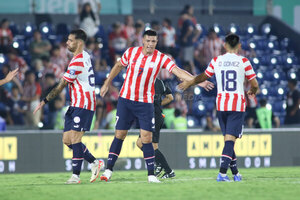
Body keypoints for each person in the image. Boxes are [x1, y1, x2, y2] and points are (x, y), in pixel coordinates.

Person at [99, 29, 214, 183]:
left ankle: (151, 175)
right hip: (126, 100)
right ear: (143, 40)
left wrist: (199, 80)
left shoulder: (161, 58)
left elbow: (178, 72)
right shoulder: (131, 52)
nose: (150, 44)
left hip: (146, 102)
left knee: (146, 139)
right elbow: (118, 66)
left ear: (156, 42)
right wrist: (107, 83)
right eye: (148, 41)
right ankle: (108, 171)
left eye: (153, 41)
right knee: (120, 135)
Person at [179, 33, 259, 182]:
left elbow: (203, 76)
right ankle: (222, 173)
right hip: (237, 105)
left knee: (228, 140)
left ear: (224, 45)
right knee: (230, 141)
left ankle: (235, 173)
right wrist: (252, 92)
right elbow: (254, 84)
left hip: (221, 104)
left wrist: (190, 83)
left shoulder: (217, 60)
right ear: (239, 46)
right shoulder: (244, 61)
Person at [33, 29, 103, 184]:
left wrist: (44, 101)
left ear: (79, 43)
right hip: (75, 103)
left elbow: (60, 86)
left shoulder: (77, 62)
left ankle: (75, 176)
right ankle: (94, 162)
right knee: (67, 140)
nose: (67, 43)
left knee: (76, 139)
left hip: (84, 103)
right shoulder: (84, 55)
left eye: (70, 40)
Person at [136, 78, 175, 179]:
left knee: (152, 146)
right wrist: (158, 105)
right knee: (140, 142)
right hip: (155, 115)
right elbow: (170, 97)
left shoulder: (143, 81)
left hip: (152, 116)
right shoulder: (159, 81)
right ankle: (162, 166)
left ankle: (168, 170)